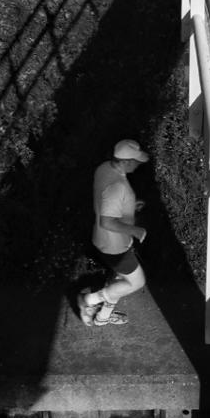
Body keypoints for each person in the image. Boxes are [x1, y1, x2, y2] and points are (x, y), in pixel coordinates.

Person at [77, 139, 149, 327]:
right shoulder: (117, 186)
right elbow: (107, 221)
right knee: (136, 283)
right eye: (136, 161)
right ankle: (88, 301)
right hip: (115, 245)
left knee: (119, 281)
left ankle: (102, 318)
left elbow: (106, 203)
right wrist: (135, 230)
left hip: (105, 240)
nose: (139, 164)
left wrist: (129, 206)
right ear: (125, 161)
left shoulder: (104, 169)